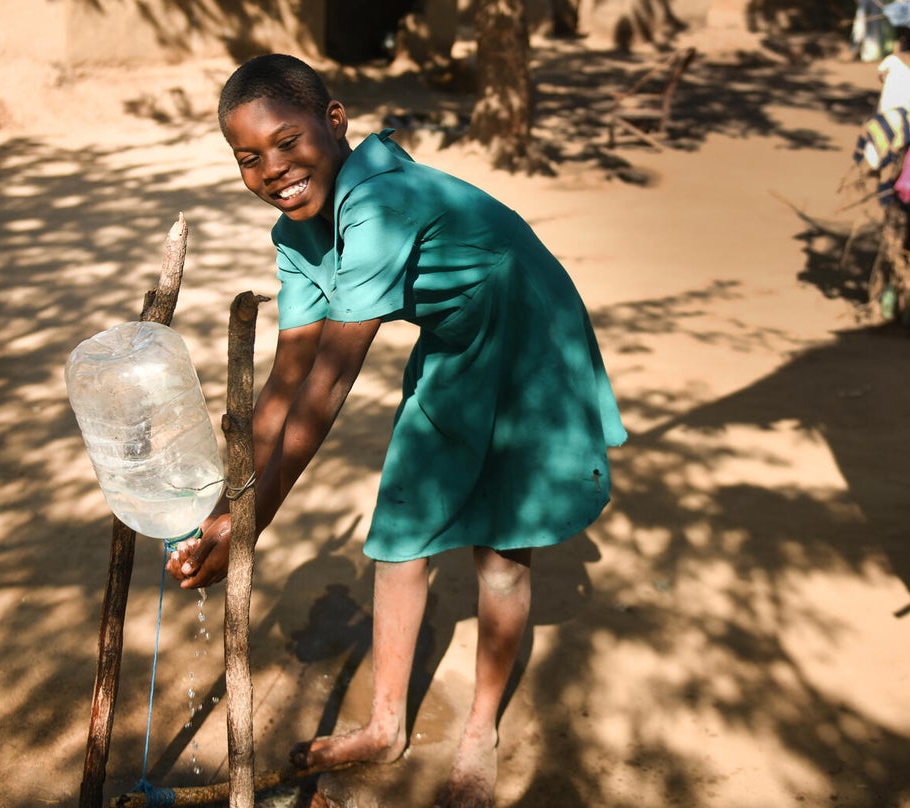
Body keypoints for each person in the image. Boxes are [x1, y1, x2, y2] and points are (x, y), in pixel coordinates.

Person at [166, 52, 627, 808]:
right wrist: (227, 510)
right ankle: (386, 727)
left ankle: (481, 732)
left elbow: (329, 386)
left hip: (533, 346)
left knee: (503, 555)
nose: (273, 169)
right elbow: (286, 382)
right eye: (249, 159)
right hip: (455, 347)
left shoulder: (379, 206)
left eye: (288, 142)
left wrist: (248, 528)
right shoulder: (297, 237)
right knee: (400, 537)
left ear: (334, 121)